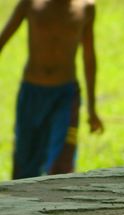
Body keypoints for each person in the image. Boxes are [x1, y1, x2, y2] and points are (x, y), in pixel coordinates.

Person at [0, 0, 104, 180]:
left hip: (65, 96)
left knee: (61, 165)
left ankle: (58, 206)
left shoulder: (86, 7)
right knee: (25, 163)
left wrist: (92, 109)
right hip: (32, 94)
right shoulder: (30, 4)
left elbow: (89, 58)